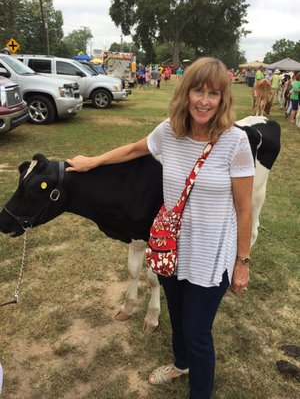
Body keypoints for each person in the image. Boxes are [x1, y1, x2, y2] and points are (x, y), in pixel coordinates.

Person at [66, 57, 254, 399]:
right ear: (185, 92)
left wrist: (242, 261)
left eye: (213, 93)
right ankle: (181, 364)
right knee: (178, 314)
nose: (204, 101)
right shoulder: (169, 131)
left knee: (198, 331)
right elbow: (134, 150)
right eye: (198, 90)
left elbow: (244, 209)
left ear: (223, 99)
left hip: (211, 256)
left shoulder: (236, 143)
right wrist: (92, 161)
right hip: (172, 250)